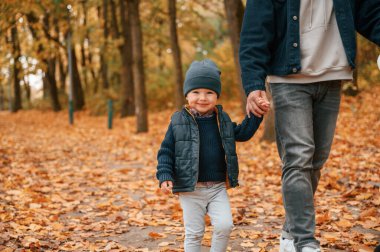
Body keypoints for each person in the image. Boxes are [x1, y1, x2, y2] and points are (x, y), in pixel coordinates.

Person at [239, 1, 380, 252]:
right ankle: (305, 242)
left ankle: (290, 233)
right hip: (288, 79)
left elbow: (370, 13)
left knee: (316, 161)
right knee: (298, 156)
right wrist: (253, 84)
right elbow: (254, 32)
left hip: (333, 75)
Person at [156, 59, 264, 252]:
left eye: (209, 92)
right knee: (195, 232)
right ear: (187, 95)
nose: (202, 98)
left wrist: (256, 115)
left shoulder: (222, 120)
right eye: (196, 92)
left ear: (217, 96)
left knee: (225, 225)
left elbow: (243, 133)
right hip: (190, 189)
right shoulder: (178, 121)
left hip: (217, 188)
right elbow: (166, 151)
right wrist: (164, 175)